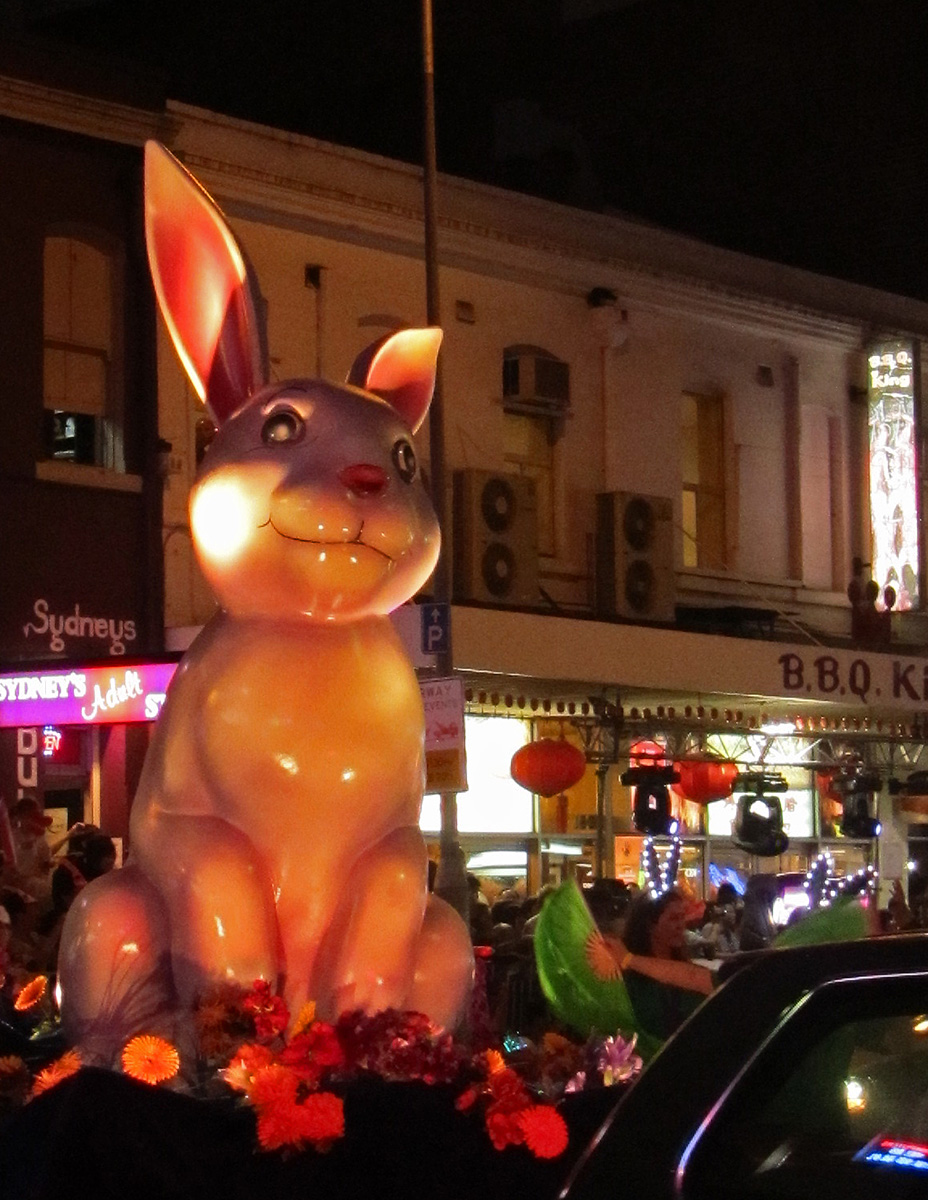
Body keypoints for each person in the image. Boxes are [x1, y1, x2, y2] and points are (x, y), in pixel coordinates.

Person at [605, 888, 716, 1041]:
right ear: (650, 925)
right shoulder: (629, 977)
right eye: (673, 918)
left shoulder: (685, 971)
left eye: (682, 917)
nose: (681, 925)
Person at [737, 873, 779, 952]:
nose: (776, 890)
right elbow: (746, 933)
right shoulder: (753, 907)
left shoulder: (764, 907)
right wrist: (764, 942)